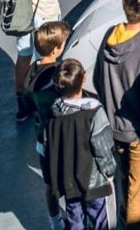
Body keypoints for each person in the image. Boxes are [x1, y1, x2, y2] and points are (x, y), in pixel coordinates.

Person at [90, 0, 140, 230]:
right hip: (139, 134)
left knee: (124, 180)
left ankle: (123, 218)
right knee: (138, 191)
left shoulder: (110, 36)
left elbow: (98, 79)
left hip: (113, 129)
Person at [45, 58, 117, 230]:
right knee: (102, 221)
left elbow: (50, 147)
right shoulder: (94, 112)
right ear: (83, 79)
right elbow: (102, 147)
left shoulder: (54, 114)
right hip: (95, 183)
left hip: (68, 181)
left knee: (75, 218)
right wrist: (109, 171)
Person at [28, 21, 71, 230]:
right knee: (69, 178)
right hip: (60, 139)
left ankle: (55, 221)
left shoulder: (32, 72)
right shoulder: (56, 76)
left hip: (42, 138)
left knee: (50, 183)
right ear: (56, 49)